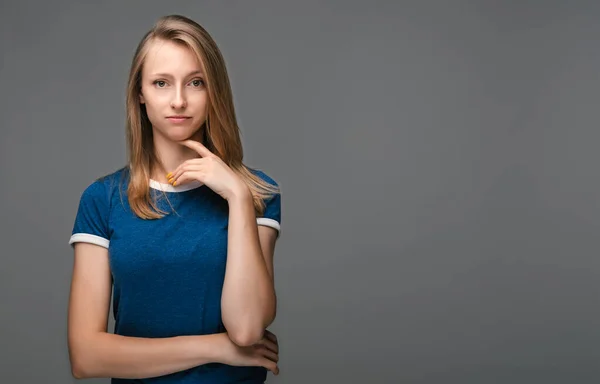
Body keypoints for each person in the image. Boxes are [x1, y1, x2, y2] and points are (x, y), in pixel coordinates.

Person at [66, 14, 282, 383]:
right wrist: (216, 348)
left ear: (214, 91)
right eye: (161, 83)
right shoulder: (102, 200)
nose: (179, 100)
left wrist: (237, 197)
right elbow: (86, 357)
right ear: (140, 93)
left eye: (195, 83)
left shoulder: (256, 192)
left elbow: (246, 330)